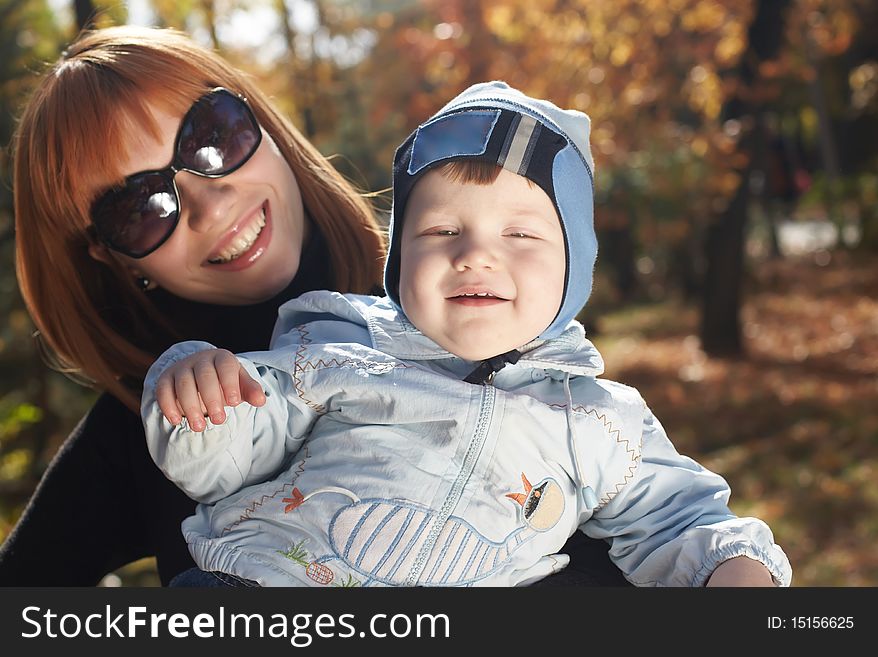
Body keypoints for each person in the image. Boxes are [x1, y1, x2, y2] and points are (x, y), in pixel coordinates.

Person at [0, 26, 626, 587]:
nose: (211, 205)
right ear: (111, 259)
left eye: (212, 137)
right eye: (138, 208)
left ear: (262, 123)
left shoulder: (462, 296)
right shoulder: (146, 423)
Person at [142, 81, 792, 587]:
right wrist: (200, 394)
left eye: (520, 234)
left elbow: (680, 520)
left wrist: (732, 568)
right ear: (400, 262)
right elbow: (228, 455)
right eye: (442, 232)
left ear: (575, 266)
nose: (476, 255)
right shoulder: (339, 350)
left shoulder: (601, 423)